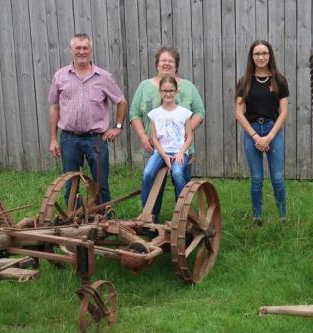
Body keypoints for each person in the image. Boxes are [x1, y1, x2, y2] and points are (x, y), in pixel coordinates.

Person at [48, 33, 127, 205]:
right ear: (71, 50)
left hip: (96, 140)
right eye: (78, 48)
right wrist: (53, 139)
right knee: (70, 183)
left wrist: (118, 127)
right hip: (69, 138)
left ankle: (105, 218)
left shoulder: (103, 77)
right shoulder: (60, 76)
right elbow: (54, 107)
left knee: (101, 183)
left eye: (85, 48)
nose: (81, 51)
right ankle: (74, 219)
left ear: (90, 51)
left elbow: (121, 101)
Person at [129, 46, 205, 220]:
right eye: (163, 60)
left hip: (181, 147)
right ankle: (150, 216)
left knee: (180, 179)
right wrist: (143, 136)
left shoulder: (188, 87)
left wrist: (187, 132)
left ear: (176, 65)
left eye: (170, 61)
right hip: (154, 147)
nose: (166, 63)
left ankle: (184, 217)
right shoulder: (145, 86)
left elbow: (200, 112)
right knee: (153, 179)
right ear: (157, 64)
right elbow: (134, 113)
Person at [235, 40, 289, 225]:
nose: (261, 57)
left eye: (264, 53)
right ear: (252, 57)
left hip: (273, 131)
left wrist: (270, 136)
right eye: (257, 54)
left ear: (270, 55)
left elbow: (284, 112)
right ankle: (257, 217)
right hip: (252, 132)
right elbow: (238, 113)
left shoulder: (279, 80)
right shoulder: (244, 82)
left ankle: (283, 217)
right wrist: (256, 137)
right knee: (257, 178)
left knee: (278, 178)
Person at [141, 76, 194, 203]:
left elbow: (189, 136)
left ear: (176, 92)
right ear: (160, 92)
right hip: (160, 152)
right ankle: (147, 212)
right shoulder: (155, 113)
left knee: (177, 174)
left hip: (179, 152)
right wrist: (164, 155)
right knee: (148, 174)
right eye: (165, 91)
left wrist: (181, 152)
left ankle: (181, 208)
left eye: (171, 90)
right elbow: (154, 137)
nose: (168, 94)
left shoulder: (184, 113)